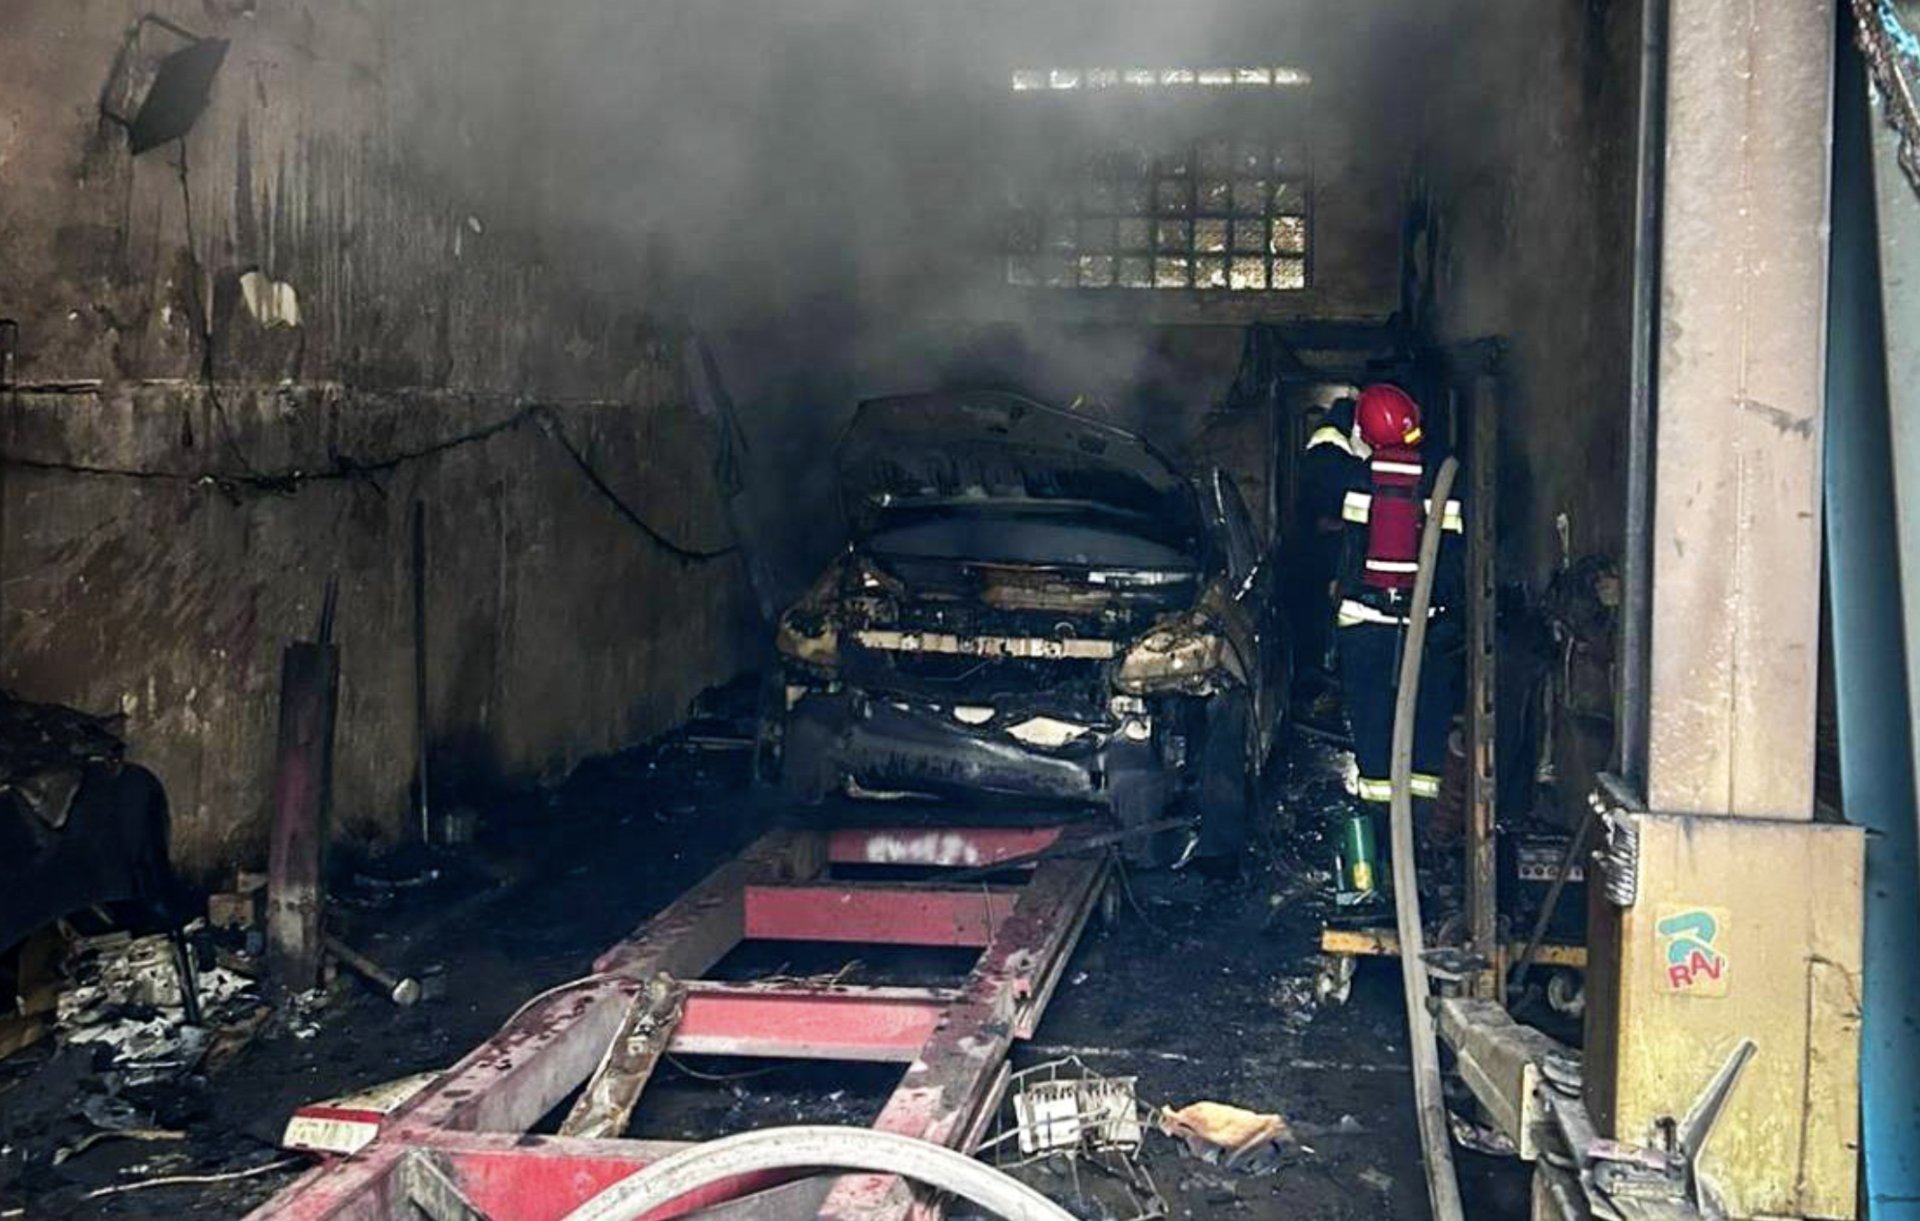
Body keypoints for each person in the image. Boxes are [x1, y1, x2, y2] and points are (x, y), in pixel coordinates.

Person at [1326, 384, 1464, 873]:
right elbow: (1454, 559)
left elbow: (1347, 551)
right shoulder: (1443, 476)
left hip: (1364, 626)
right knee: (1425, 732)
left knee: (1373, 729)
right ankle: (1424, 843)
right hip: (1425, 626)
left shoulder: (1359, 479)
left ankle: (1379, 851)